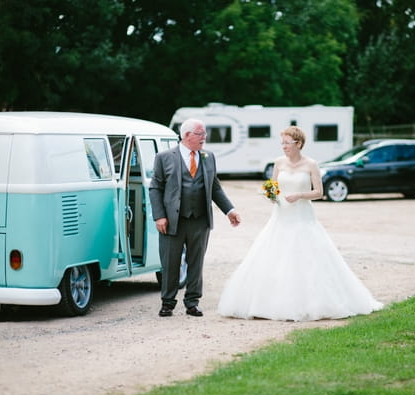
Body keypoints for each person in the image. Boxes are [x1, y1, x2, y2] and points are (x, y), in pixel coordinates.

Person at [218, 126, 383, 321]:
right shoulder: (278, 163)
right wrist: (271, 195)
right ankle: (266, 304)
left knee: (308, 258)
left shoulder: (311, 165)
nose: (284, 146)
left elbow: (319, 192)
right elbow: (273, 188)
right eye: (282, 143)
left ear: (299, 144)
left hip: (303, 217)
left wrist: (300, 195)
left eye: (287, 143)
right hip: (281, 217)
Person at [149, 118, 241, 317]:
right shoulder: (164, 157)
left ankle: (192, 302)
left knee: (196, 262)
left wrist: (229, 210)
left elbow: (215, 187)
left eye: (204, 134)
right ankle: (167, 303)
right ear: (187, 135)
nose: (204, 138)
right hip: (173, 221)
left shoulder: (209, 157)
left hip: (200, 219)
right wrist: (159, 216)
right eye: (201, 134)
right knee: (170, 262)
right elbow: (155, 188)